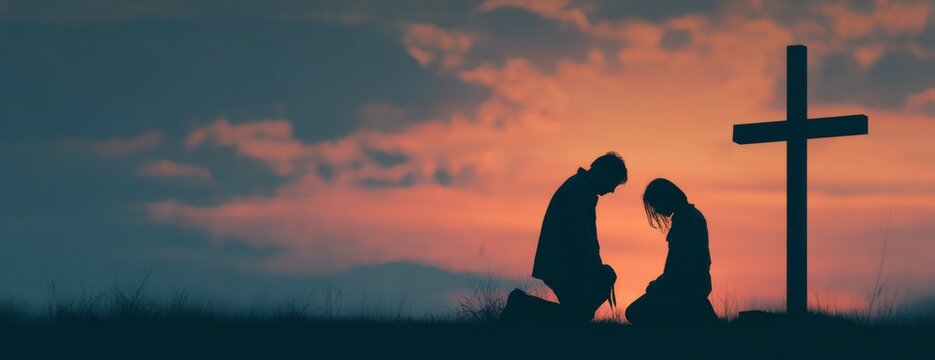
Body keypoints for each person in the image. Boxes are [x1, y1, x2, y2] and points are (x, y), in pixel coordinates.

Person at [501, 152, 628, 323]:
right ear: (603, 173)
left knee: (576, 315)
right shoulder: (578, 190)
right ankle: (523, 304)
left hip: (563, 264)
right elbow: (581, 237)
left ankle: (523, 306)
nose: (612, 190)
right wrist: (596, 270)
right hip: (563, 265)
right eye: (613, 183)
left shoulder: (581, 189)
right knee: (581, 310)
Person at [625, 178, 718, 327]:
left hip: (687, 286)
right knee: (637, 311)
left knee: (635, 312)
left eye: (656, 204)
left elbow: (683, 265)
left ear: (666, 198)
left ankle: (688, 316)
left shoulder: (689, 219)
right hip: (684, 284)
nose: (656, 210)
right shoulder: (686, 217)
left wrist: (659, 285)